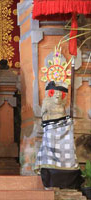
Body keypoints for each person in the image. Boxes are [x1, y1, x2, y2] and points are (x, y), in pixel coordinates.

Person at [34, 52, 80, 189]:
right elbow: (44, 116)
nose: (58, 96)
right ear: (50, 93)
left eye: (61, 94)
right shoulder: (47, 103)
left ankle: (67, 178)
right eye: (55, 93)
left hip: (63, 128)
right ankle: (49, 178)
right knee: (49, 148)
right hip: (50, 128)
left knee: (67, 152)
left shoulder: (62, 105)